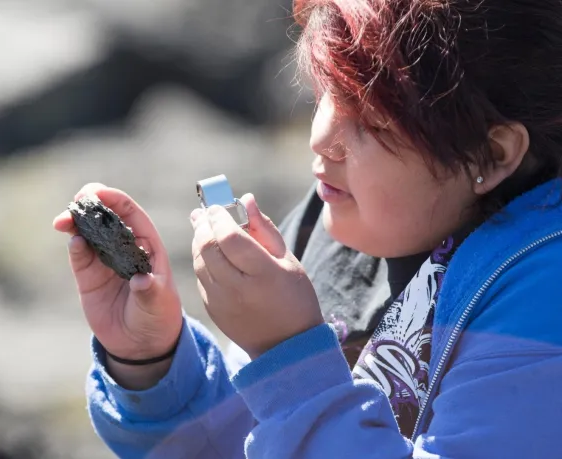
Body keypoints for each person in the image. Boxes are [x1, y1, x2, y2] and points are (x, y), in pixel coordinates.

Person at [54, 0, 562, 457]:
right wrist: (152, 358)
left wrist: (287, 357)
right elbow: (244, 442)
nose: (321, 138)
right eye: (327, 93)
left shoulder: (544, 298)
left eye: (374, 122)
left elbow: (293, 406)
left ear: (492, 154)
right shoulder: (338, 223)